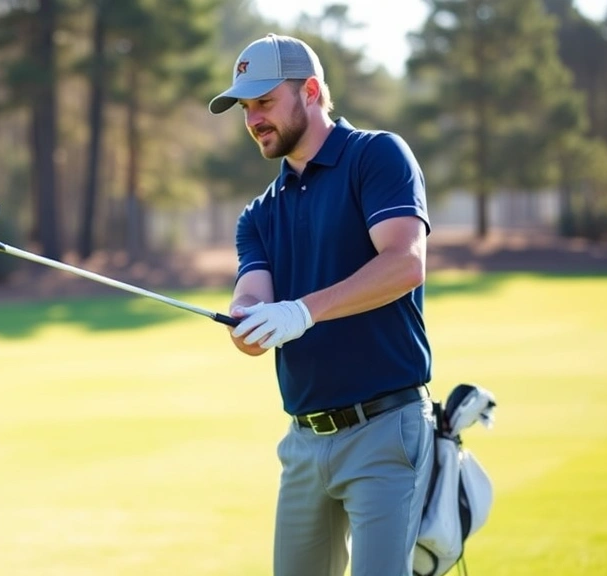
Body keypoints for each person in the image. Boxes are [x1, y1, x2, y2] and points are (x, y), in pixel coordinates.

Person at [209, 34, 435, 576]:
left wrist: (302, 311)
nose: (253, 119)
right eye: (245, 108)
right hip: (304, 444)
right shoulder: (258, 215)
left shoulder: (375, 155)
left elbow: (405, 263)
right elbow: (253, 297)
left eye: (264, 102)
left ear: (310, 91)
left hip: (385, 426)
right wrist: (247, 323)